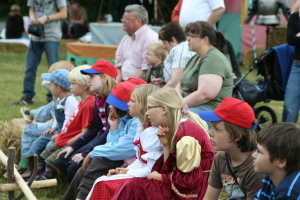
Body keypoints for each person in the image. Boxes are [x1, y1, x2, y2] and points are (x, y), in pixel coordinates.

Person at [61, 84, 160, 200]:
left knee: (98, 165)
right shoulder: (126, 121)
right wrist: (113, 128)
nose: (110, 107)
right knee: (84, 171)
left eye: (131, 101)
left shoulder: (138, 124)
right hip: (130, 165)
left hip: (131, 165)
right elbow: (113, 145)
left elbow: (121, 150)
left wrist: (93, 152)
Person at [111, 87, 213, 200]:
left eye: (149, 108)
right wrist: (166, 146)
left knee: (133, 186)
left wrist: (160, 177)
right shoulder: (175, 128)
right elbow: (170, 168)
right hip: (182, 185)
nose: (146, 112)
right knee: (132, 184)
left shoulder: (186, 133)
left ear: (164, 109)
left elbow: (188, 181)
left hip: (195, 191)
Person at [4, 68, 78, 179]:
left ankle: (47, 174)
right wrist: (53, 128)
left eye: (51, 85)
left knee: (49, 146)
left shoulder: (70, 101)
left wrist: (61, 134)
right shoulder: (58, 99)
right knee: (38, 143)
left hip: (67, 133)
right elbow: (57, 119)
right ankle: (38, 171)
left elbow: (70, 121)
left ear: (58, 88)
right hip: (59, 130)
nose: (49, 87)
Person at [55, 59, 119, 183]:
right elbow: (95, 128)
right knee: (64, 157)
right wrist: (73, 147)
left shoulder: (112, 101)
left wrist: (86, 152)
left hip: (110, 140)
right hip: (101, 137)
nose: (89, 80)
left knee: (74, 165)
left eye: (92, 76)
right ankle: (72, 190)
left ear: (105, 78)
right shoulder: (98, 99)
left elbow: (109, 132)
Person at [31, 65, 95, 180]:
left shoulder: (88, 104)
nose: (70, 87)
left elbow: (84, 132)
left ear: (84, 86)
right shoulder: (82, 102)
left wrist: (68, 142)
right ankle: (42, 174)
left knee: (57, 158)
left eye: (73, 84)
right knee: (46, 152)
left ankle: (54, 178)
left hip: (71, 141)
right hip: (65, 137)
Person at [199, 97, 264, 200]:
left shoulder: (256, 167)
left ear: (237, 136)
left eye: (217, 129)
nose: (210, 132)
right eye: (212, 127)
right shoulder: (221, 158)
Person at [12, 0, 67, 105]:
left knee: (54, 69)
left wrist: (46, 18)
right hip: (36, 35)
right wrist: (32, 18)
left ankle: (52, 97)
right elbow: (32, 9)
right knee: (30, 67)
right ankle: (27, 97)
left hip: (52, 35)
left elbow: (63, 13)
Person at [177, 21, 233, 116]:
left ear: (205, 40)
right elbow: (180, 85)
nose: (187, 39)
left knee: (170, 120)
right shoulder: (196, 57)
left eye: (192, 36)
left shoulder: (213, 58)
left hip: (210, 110)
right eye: (188, 35)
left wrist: (176, 106)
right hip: (191, 106)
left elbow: (204, 95)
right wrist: (170, 102)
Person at [253, 123, 300, 200]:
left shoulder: (288, 193)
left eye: (259, 151)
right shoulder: (270, 175)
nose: (253, 155)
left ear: (280, 162)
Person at [115, 4, 160, 82]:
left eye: (126, 18)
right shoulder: (125, 38)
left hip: (140, 86)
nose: (122, 20)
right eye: (123, 17)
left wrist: (128, 85)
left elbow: (147, 71)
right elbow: (119, 67)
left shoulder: (150, 39)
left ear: (138, 21)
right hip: (124, 83)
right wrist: (116, 85)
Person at [152, 22, 196, 87]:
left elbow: (176, 82)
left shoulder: (180, 51)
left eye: (165, 43)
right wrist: (165, 82)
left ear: (173, 40)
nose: (164, 47)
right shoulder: (182, 49)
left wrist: (157, 95)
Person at [282, 7, 300, 123]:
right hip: (298, 66)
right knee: (289, 106)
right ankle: (286, 137)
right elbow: (291, 39)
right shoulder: (294, 17)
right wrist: (295, 37)